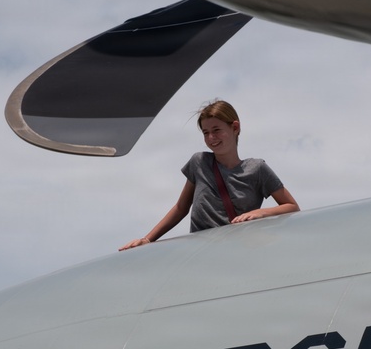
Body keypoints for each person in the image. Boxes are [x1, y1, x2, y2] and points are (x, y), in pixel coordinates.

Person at [120, 100, 299, 250]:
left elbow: (291, 206)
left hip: (239, 250)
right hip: (201, 252)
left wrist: (261, 213)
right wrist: (147, 239)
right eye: (206, 133)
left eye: (216, 130)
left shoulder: (257, 168)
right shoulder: (199, 162)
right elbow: (181, 208)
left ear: (235, 127)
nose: (211, 137)